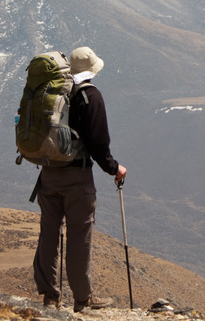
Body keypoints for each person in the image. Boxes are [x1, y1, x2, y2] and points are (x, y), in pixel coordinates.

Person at [33, 46, 127, 312]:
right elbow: (99, 144)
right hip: (77, 178)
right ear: (92, 69)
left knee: (49, 234)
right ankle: (82, 299)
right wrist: (114, 168)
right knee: (79, 237)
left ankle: (50, 297)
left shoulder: (51, 94)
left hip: (48, 174)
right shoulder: (90, 96)